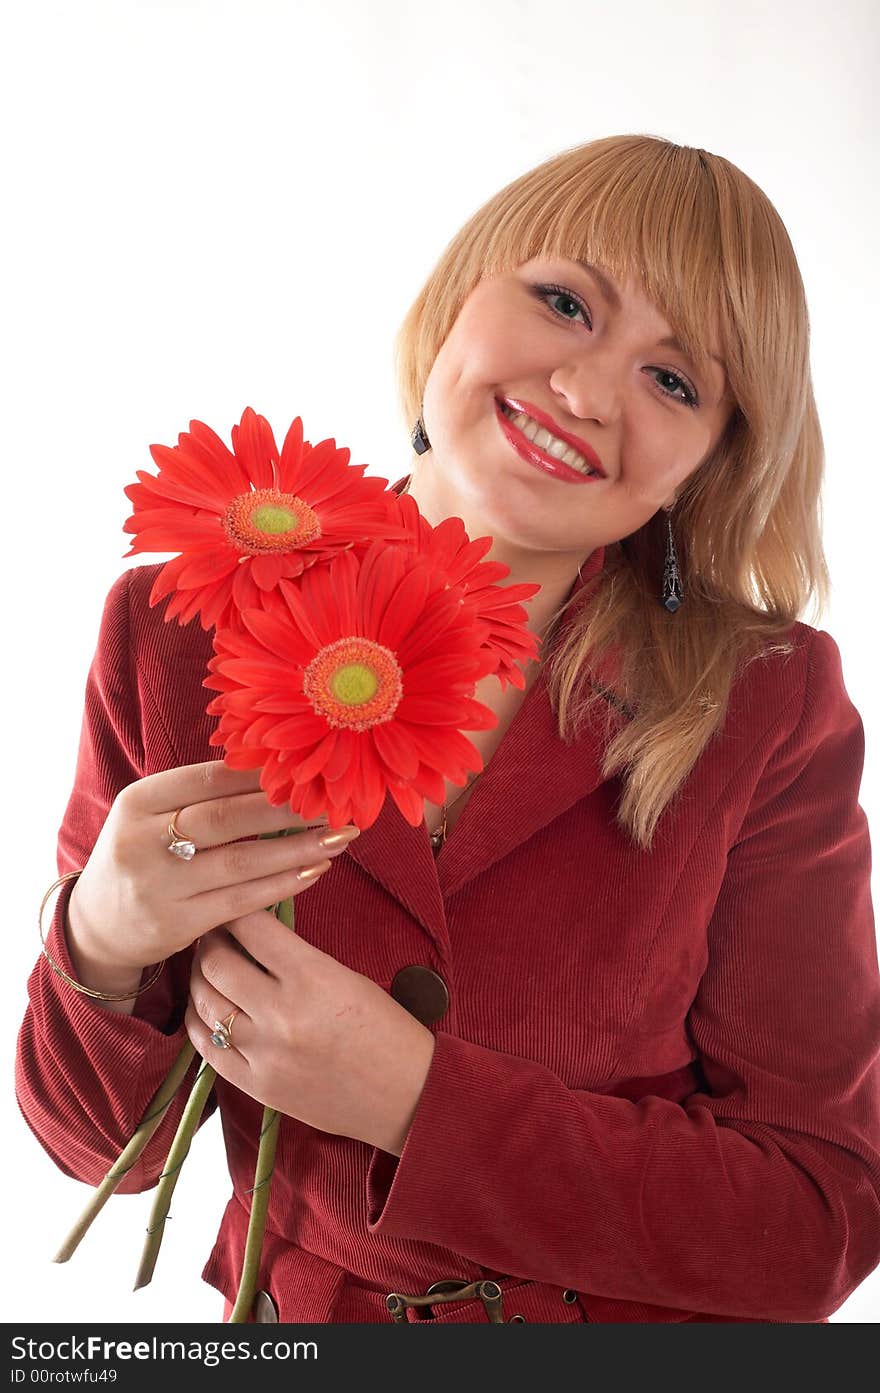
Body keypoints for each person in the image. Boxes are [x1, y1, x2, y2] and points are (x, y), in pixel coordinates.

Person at [15, 133, 880, 1325]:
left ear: (700, 470)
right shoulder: (176, 628)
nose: (584, 390)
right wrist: (102, 944)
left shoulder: (771, 706)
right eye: (564, 302)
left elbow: (814, 1220)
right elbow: (92, 1143)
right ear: (456, 297)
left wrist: (420, 1102)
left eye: (674, 382)